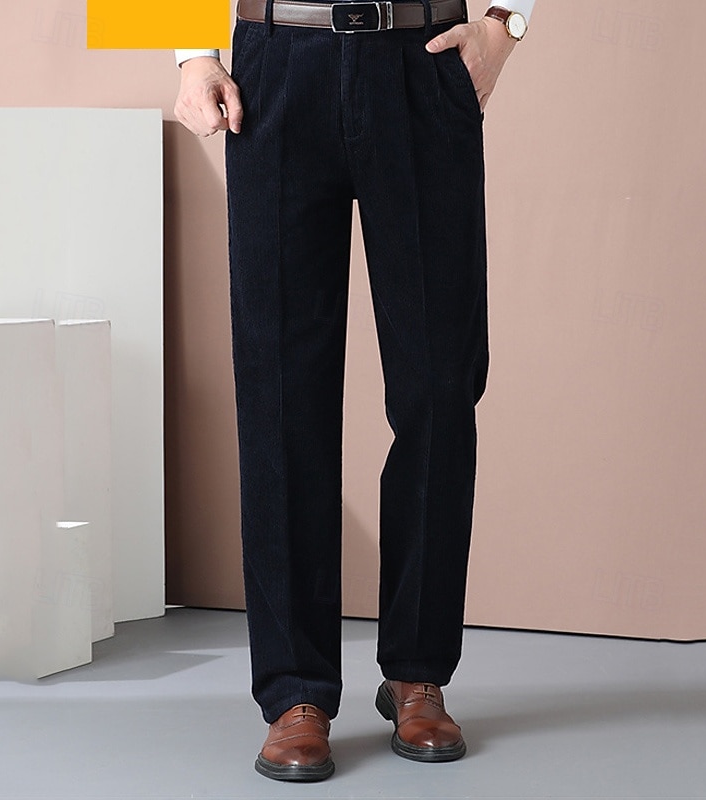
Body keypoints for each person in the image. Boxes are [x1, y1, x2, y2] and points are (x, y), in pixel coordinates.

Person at [174, 0, 532, 783]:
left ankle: (418, 673)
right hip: (275, 64)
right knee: (279, 391)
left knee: (440, 384)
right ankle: (294, 692)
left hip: (421, 60)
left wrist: (507, 22)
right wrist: (189, 53)